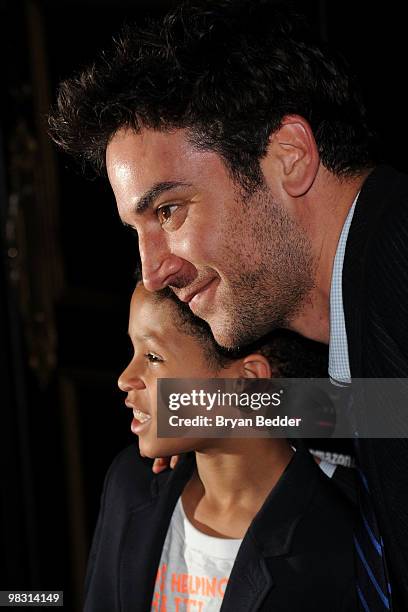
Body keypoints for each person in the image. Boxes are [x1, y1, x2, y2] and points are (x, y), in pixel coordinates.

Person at [48, 1, 408, 608]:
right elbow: (385, 409)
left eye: (169, 210)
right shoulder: (369, 297)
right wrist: (204, 417)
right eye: (137, 229)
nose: (152, 272)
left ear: (289, 156)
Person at [84, 280, 357, 611]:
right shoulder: (131, 485)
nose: (124, 378)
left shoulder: (343, 533)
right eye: (134, 351)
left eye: (154, 357)